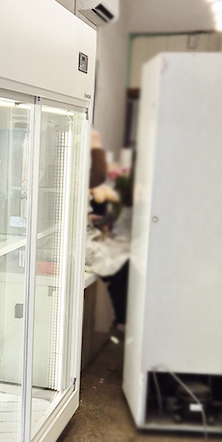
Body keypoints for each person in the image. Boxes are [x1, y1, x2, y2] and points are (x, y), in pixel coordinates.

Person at [84, 131, 134, 341]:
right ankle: (122, 322)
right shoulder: (74, 177)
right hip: (79, 243)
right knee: (122, 267)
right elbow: (98, 174)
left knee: (127, 260)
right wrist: (95, 145)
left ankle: (123, 321)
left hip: (88, 236)